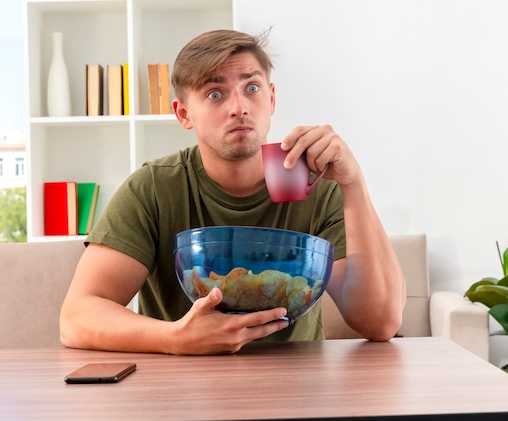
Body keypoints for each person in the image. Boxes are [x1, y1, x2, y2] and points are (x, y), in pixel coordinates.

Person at [59, 29, 406, 355]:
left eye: (251, 88)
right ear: (183, 114)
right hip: (183, 393)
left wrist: (353, 183)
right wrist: (177, 338)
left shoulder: (315, 184)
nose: (239, 107)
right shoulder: (153, 188)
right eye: (214, 93)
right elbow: (76, 317)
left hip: (298, 391)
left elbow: (381, 323)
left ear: (271, 99)